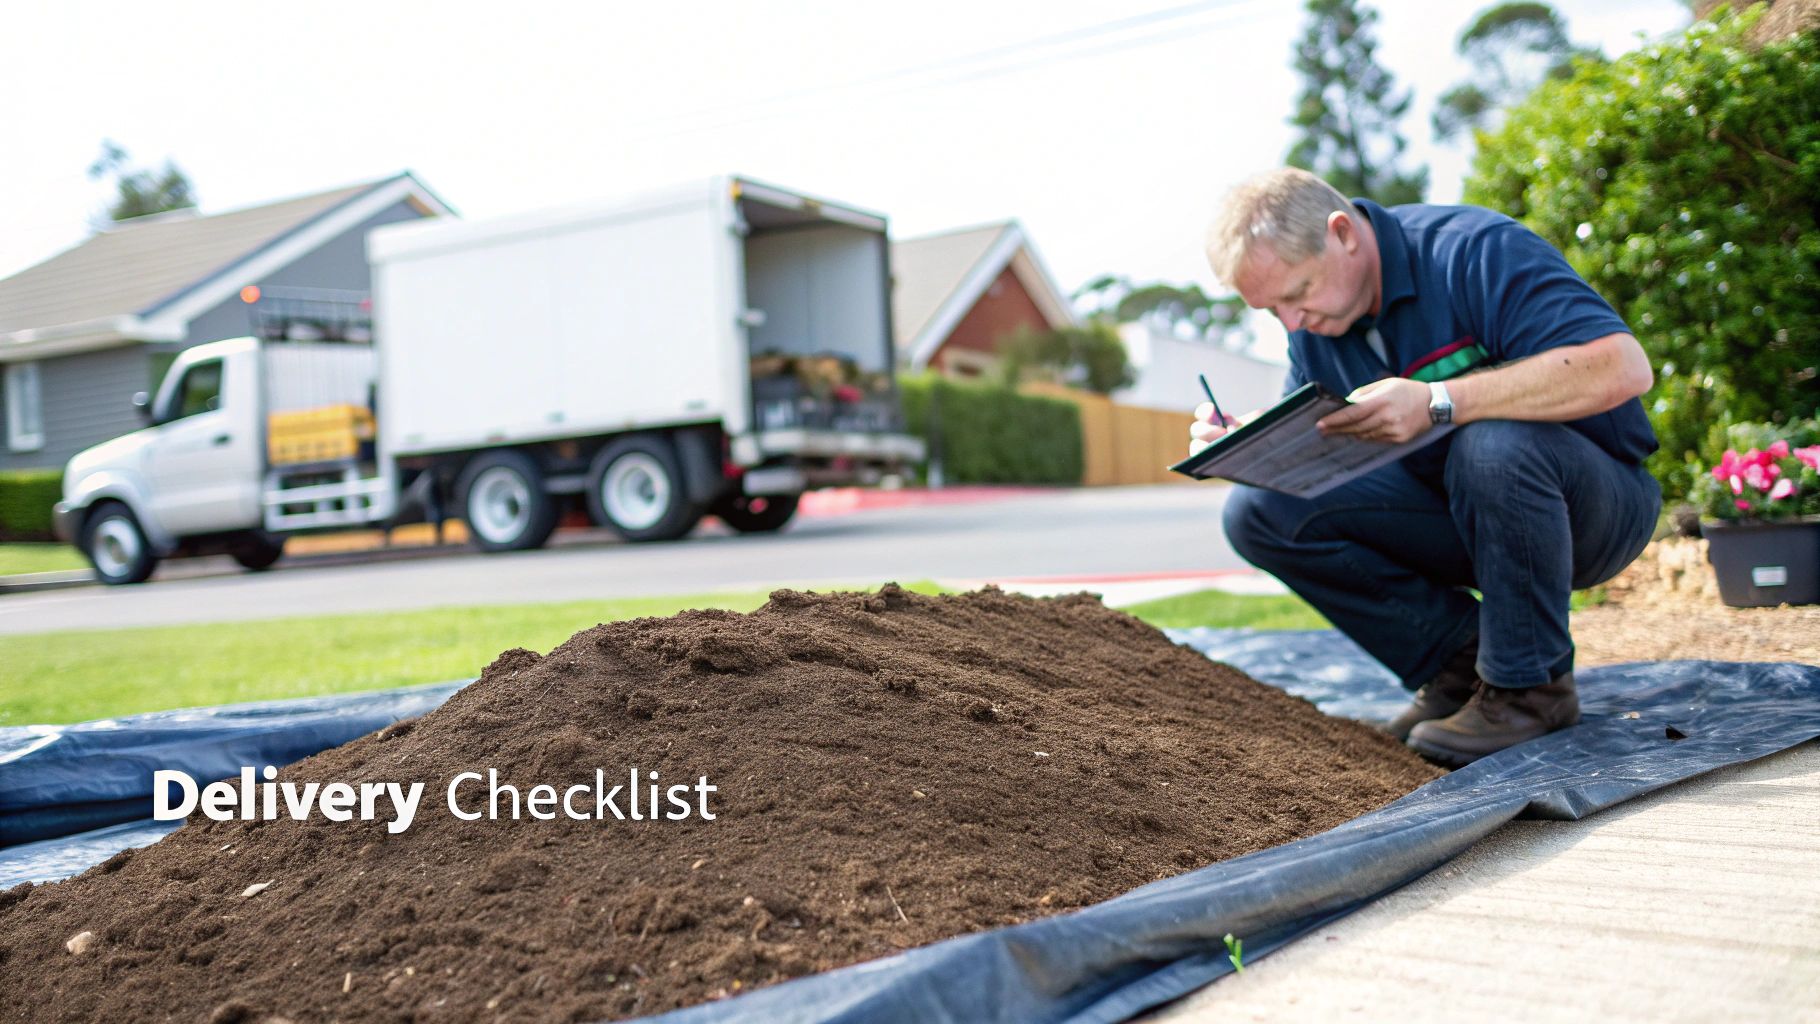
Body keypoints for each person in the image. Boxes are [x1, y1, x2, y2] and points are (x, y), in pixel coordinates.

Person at [1191, 167, 1660, 767]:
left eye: (1297, 292)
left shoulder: (1471, 251)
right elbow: (1327, 448)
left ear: (1344, 234)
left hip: (1590, 509)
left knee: (1488, 442)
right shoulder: (1317, 330)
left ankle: (1531, 688)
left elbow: (1623, 367)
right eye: (1271, 309)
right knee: (1260, 512)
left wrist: (1440, 401)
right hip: (1460, 516)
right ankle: (1463, 669)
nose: (1292, 323)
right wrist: (1254, 447)